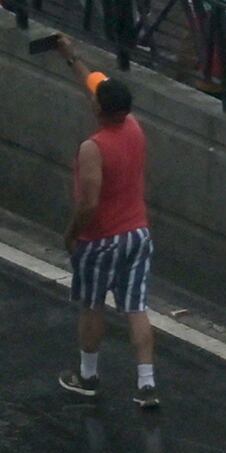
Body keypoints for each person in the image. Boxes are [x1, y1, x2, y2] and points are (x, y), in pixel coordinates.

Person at [61, 71, 153, 404]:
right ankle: (146, 383)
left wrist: (71, 235)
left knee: (93, 305)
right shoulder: (135, 128)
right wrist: (70, 59)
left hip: (101, 239)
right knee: (136, 307)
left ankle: (88, 375)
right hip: (138, 234)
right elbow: (98, 86)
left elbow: (89, 203)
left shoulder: (93, 148)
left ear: (98, 109)